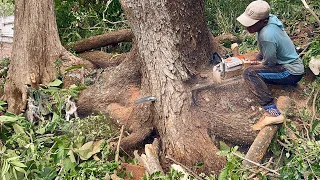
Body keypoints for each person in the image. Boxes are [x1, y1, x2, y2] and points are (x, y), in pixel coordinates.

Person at [237, 0, 304, 130]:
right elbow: (267, 49)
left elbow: (270, 63)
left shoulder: (267, 35)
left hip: (291, 72)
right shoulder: (270, 20)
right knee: (253, 69)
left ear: (263, 22)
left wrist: (257, 66)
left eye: (251, 25)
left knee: (250, 73)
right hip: (291, 66)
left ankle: (272, 112)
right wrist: (257, 58)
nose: (247, 28)